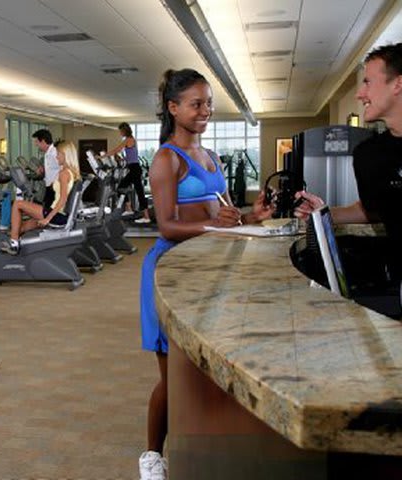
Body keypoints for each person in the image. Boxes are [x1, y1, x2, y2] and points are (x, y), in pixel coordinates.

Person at [138, 69, 273, 480]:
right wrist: (217, 226)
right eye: (196, 104)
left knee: (205, 368)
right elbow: (166, 226)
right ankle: (151, 456)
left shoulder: (211, 157)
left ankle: (204, 446)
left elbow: (226, 215)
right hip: (169, 271)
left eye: (209, 103)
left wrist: (253, 215)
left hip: (210, 269)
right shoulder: (166, 159)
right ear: (173, 108)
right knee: (172, 376)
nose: (205, 111)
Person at [295, 43, 402, 290]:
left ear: (397, 84)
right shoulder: (369, 155)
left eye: (368, 82)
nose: (359, 94)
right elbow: (374, 210)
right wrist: (323, 212)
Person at [6, 140, 81, 254]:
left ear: (66, 155)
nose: (56, 156)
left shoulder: (64, 173)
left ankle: (13, 244)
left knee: (17, 204)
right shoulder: (71, 172)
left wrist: (48, 218)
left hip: (56, 215)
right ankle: (15, 246)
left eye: (59, 154)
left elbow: (63, 199)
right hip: (61, 215)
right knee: (21, 228)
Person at [107, 122, 151, 224]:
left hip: (135, 169)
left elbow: (115, 150)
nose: (120, 133)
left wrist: (102, 156)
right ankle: (130, 209)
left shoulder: (128, 140)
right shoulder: (131, 140)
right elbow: (131, 157)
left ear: (124, 131)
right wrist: (123, 159)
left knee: (124, 188)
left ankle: (136, 212)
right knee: (129, 189)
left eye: (120, 131)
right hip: (134, 168)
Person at [32, 129, 59, 209]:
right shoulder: (47, 153)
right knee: (46, 210)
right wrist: (43, 168)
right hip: (49, 187)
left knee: (48, 212)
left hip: (55, 188)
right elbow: (53, 168)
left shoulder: (54, 153)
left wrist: (56, 182)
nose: (36, 144)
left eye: (37, 142)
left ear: (43, 141)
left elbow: (63, 169)